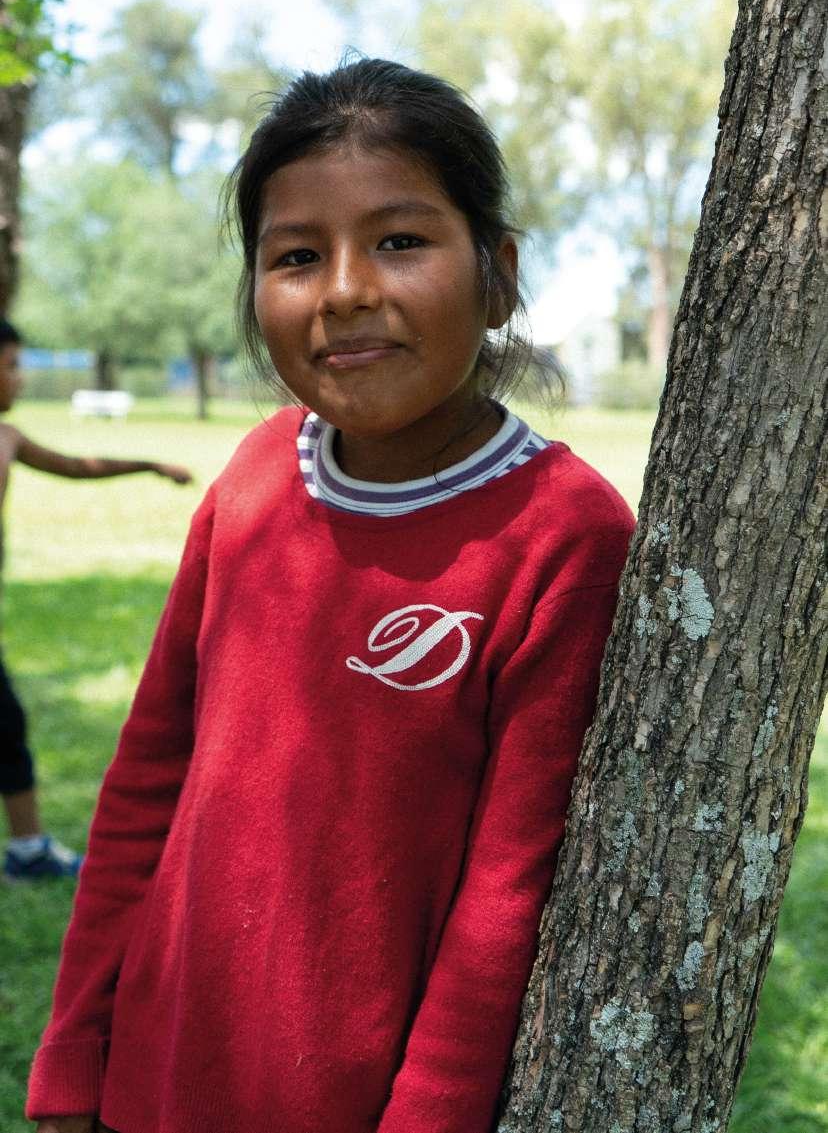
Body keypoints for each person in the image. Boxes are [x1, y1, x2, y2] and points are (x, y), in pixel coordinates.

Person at [28, 59, 635, 1133]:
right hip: (154, 1080)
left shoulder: (565, 534)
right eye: (297, 255)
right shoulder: (256, 478)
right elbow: (147, 780)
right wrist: (74, 1051)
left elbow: (509, 891)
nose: (345, 289)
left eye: (400, 241)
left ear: (497, 276)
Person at [0, 319, 192, 883]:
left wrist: (149, 466)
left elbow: (76, 467)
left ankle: (29, 849)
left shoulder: (8, 437)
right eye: (11, 365)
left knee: (6, 725)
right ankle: (29, 849)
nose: (20, 378)